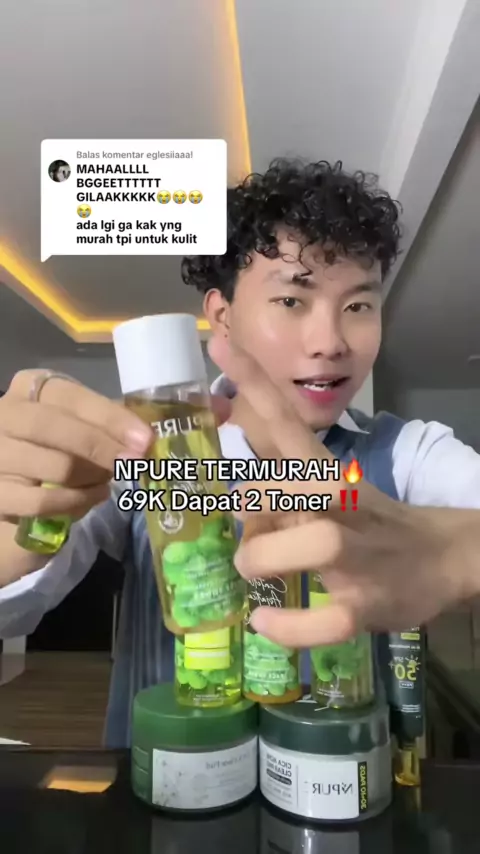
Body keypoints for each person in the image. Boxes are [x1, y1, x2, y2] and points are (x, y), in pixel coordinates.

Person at [0, 158, 479, 747]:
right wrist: (13, 528)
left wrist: (456, 551)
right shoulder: (146, 453)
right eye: (292, 300)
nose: (330, 343)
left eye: (358, 306)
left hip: (349, 790)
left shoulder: (409, 454)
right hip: (163, 788)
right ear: (222, 318)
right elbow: (11, 611)